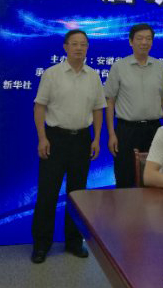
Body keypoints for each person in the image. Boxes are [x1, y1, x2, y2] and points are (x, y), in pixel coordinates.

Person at [31, 29, 106, 264]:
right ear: (65, 47)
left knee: (77, 194)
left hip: (82, 139)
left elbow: (98, 109)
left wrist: (96, 139)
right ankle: (41, 244)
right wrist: (42, 138)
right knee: (47, 194)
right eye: (74, 44)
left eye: (83, 44)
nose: (79, 48)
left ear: (87, 48)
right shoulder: (52, 74)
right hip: (55, 139)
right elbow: (39, 107)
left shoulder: (93, 76)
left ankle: (74, 241)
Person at [104, 23, 163, 188]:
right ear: (131, 41)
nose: (144, 42)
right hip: (126, 130)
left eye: (148, 39)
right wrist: (112, 134)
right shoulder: (119, 67)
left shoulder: (160, 67)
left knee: (154, 179)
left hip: (154, 130)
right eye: (140, 38)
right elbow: (110, 101)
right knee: (125, 178)